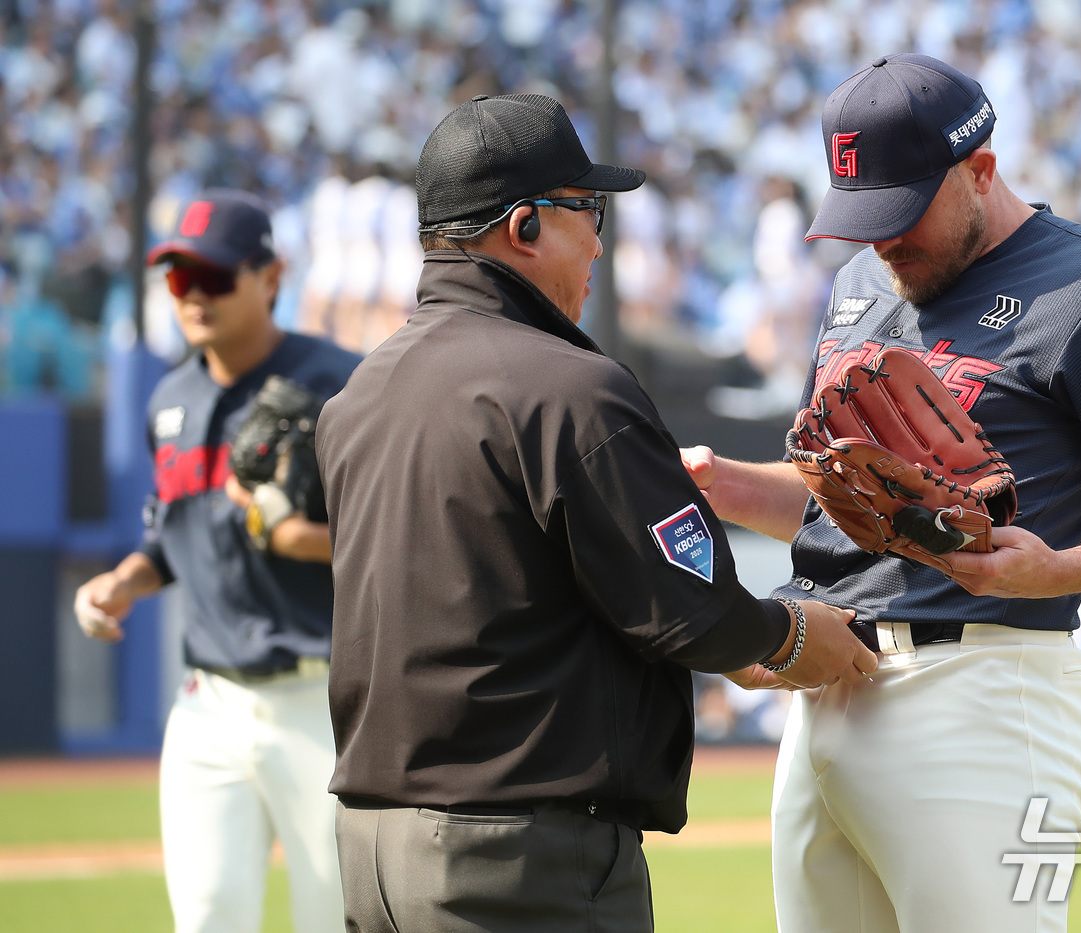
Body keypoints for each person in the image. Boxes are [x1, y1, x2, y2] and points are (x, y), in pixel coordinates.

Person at [682, 55, 1081, 933]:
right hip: (826, 687)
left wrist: (1062, 568)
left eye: (901, 212)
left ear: (982, 171)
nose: (881, 241)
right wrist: (722, 484)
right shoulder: (860, 287)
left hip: (985, 692)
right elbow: (853, 516)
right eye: (861, 214)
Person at [314, 92, 878, 933]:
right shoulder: (569, 388)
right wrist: (794, 635)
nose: (602, 242)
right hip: (515, 857)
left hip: (370, 850)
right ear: (525, 226)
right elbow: (688, 612)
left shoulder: (360, 393)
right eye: (590, 211)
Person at [73, 189, 359, 933]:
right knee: (205, 918)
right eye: (178, 278)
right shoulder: (169, 397)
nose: (194, 294)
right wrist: (120, 583)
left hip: (325, 700)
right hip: (209, 703)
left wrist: (304, 538)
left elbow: (411, 537)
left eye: (216, 275)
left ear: (271, 276)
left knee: (335, 920)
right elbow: (168, 538)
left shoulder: (343, 384)